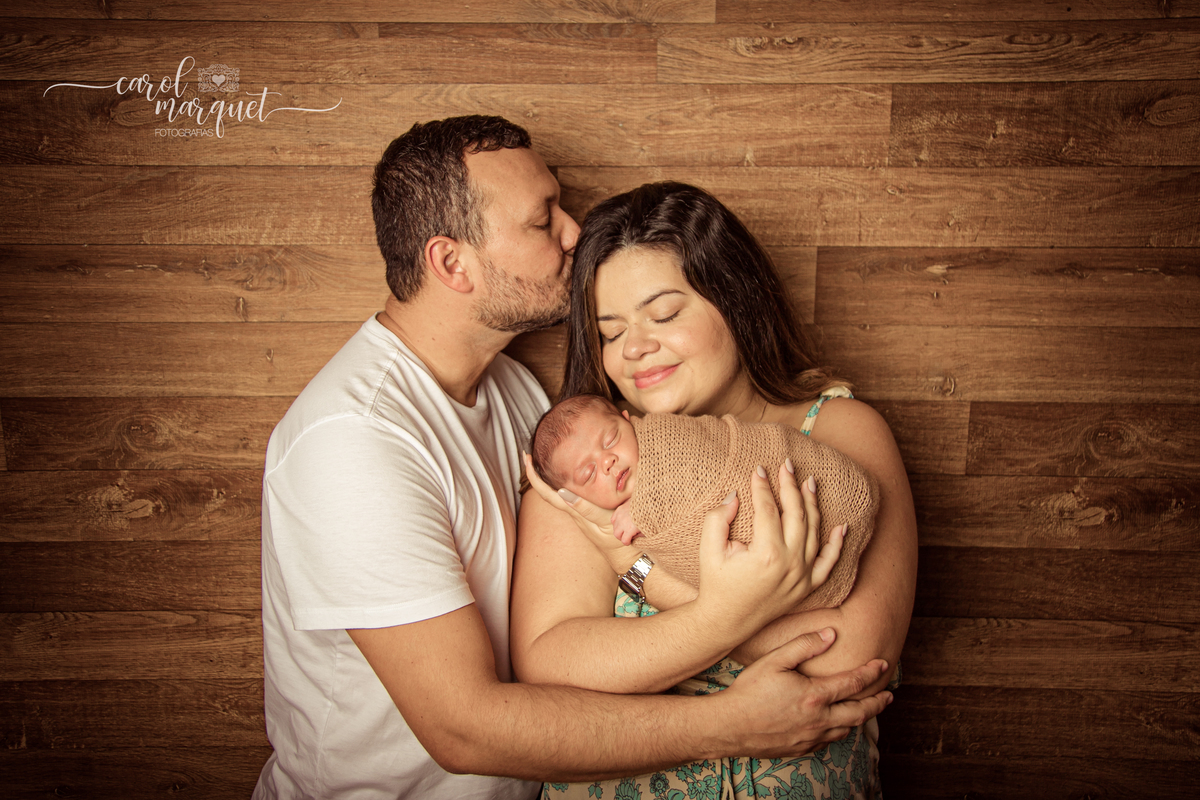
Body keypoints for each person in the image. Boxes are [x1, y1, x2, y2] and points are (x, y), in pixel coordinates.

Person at [254, 117, 894, 799]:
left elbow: (853, 650)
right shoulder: (353, 442)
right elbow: (466, 724)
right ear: (451, 263)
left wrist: (644, 576)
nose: (572, 231)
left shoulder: (520, 399)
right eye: (542, 221)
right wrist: (727, 710)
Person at [511, 182, 918, 798]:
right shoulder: (591, 464)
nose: (635, 348)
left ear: (735, 299)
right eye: (611, 331)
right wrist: (734, 625)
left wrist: (636, 568)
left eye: (665, 314)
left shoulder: (835, 429)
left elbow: (849, 662)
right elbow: (551, 662)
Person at [527, 393, 879, 616]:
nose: (606, 462)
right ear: (576, 497)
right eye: (588, 474)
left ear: (628, 419)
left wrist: (644, 506)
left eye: (611, 439)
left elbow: (698, 461)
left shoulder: (668, 437)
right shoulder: (580, 526)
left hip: (831, 501)